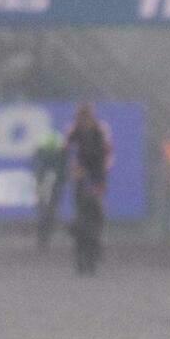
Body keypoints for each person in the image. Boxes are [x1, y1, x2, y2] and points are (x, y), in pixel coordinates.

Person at [65, 103, 114, 271]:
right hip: (82, 175)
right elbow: (66, 149)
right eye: (81, 118)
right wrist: (74, 169)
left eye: (86, 117)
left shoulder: (101, 130)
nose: (84, 121)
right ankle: (80, 253)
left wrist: (102, 176)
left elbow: (108, 153)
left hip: (97, 175)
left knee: (97, 213)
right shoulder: (74, 130)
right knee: (81, 214)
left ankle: (96, 248)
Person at [32, 130, 67, 249]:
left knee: (46, 210)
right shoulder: (60, 152)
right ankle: (44, 236)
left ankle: (44, 237)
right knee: (48, 210)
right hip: (49, 184)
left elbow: (36, 167)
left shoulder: (42, 152)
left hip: (48, 184)